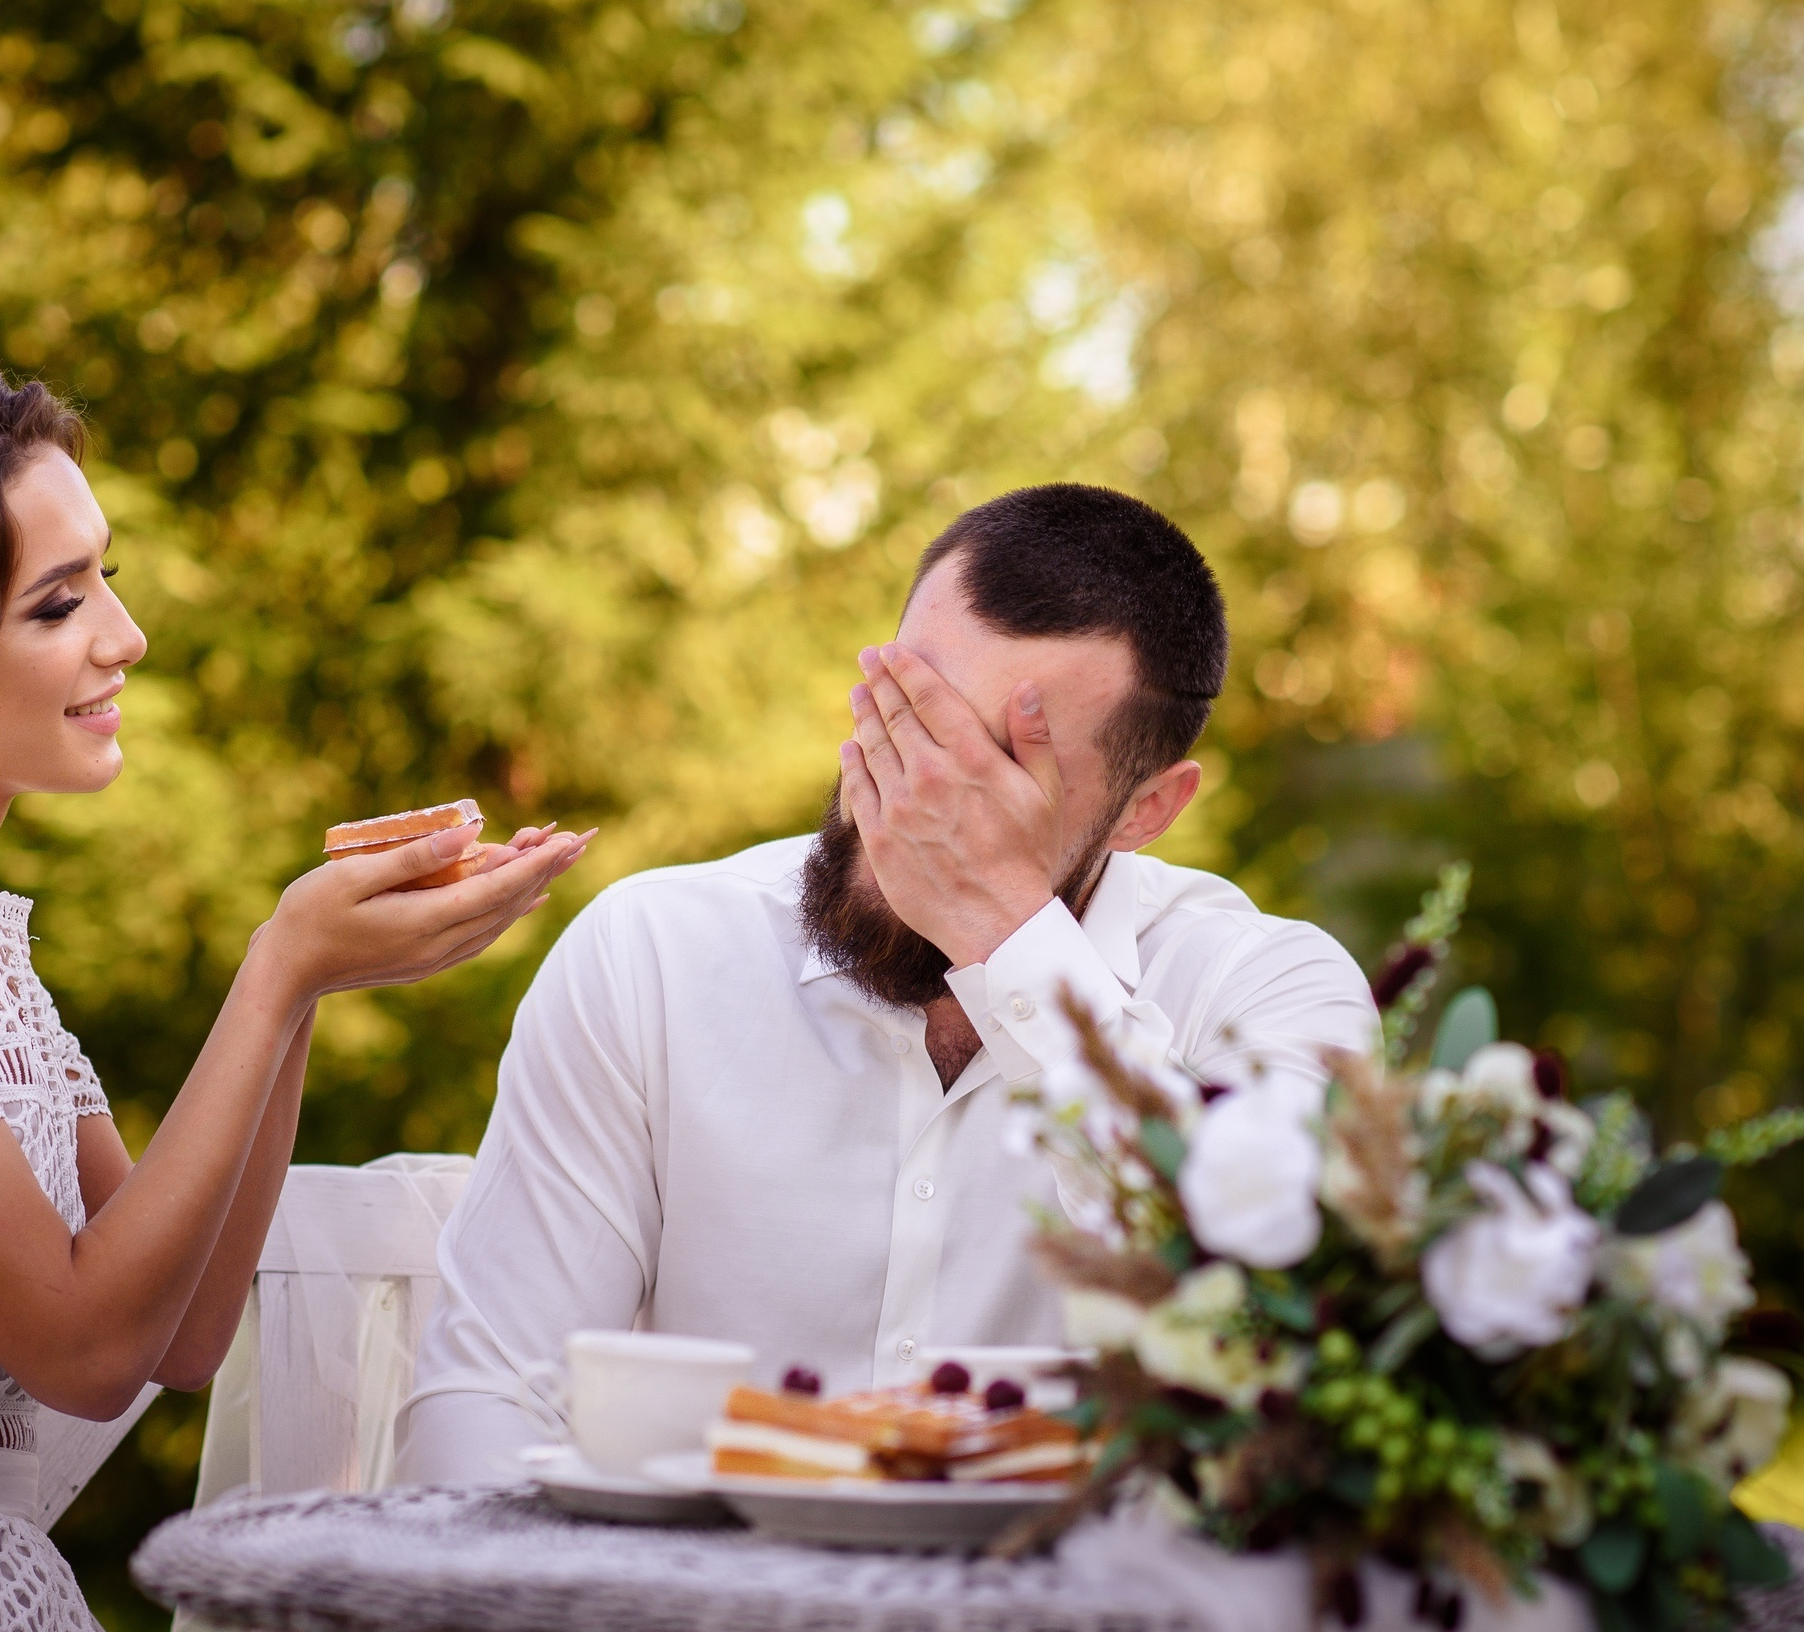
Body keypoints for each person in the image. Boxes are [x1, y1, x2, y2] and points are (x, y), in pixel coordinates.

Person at [0, 363, 589, 1632]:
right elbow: (85, 1349)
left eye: (108, 576)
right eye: (59, 601)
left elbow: (181, 1332)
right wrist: (276, 968)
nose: (125, 635)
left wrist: (306, 986)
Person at [397, 483, 1378, 1485]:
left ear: (1146, 810)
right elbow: (491, 1394)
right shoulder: (653, 951)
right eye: (908, 712)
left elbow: (1265, 1322)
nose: (918, 791)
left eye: (1002, 761)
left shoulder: (1267, 989)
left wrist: (1005, 933)